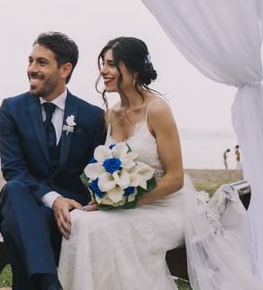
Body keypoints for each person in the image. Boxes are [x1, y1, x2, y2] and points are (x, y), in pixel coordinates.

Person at [57, 37, 261, 290]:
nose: (103, 71)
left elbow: (175, 178)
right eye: (103, 64)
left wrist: (124, 204)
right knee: (80, 221)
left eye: (111, 64)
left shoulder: (157, 110)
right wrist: (105, 199)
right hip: (128, 208)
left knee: (104, 229)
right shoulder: (111, 114)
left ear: (133, 70)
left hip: (168, 208)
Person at [0, 32, 106, 290]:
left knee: (30, 224)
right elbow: (13, 169)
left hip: (70, 213)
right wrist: (53, 198)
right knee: (13, 189)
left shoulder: (92, 116)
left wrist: (89, 205)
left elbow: (97, 171)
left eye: (41, 63)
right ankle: (49, 284)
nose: (31, 69)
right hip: (23, 202)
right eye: (30, 61)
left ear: (65, 69)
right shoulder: (12, 109)